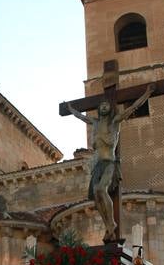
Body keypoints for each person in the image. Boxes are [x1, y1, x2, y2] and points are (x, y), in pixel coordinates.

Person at [65, 85, 153, 241]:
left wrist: (147, 93)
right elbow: (81, 117)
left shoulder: (115, 122)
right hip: (97, 165)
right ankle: (108, 226)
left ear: (109, 108)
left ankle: (111, 223)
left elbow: (133, 107)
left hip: (109, 163)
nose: (104, 107)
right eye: (101, 106)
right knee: (96, 196)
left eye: (106, 105)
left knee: (101, 189)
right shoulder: (95, 123)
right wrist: (71, 109)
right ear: (98, 109)